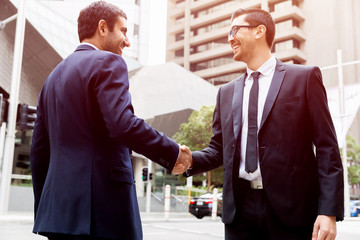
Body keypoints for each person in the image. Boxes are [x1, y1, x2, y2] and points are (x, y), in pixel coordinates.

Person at [30, 1, 190, 240]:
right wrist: (172, 152)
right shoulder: (108, 62)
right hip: (102, 210)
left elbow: (38, 152)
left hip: (58, 214)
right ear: (102, 28)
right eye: (123, 31)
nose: (127, 41)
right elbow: (122, 124)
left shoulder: (51, 79)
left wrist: (47, 209)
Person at [181, 8, 344, 240]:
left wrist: (328, 211)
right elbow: (219, 149)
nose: (229, 38)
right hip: (238, 213)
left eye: (235, 29)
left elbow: (327, 147)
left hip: (292, 210)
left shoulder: (304, 78)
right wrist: (190, 160)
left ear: (260, 31)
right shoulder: (225, 93)